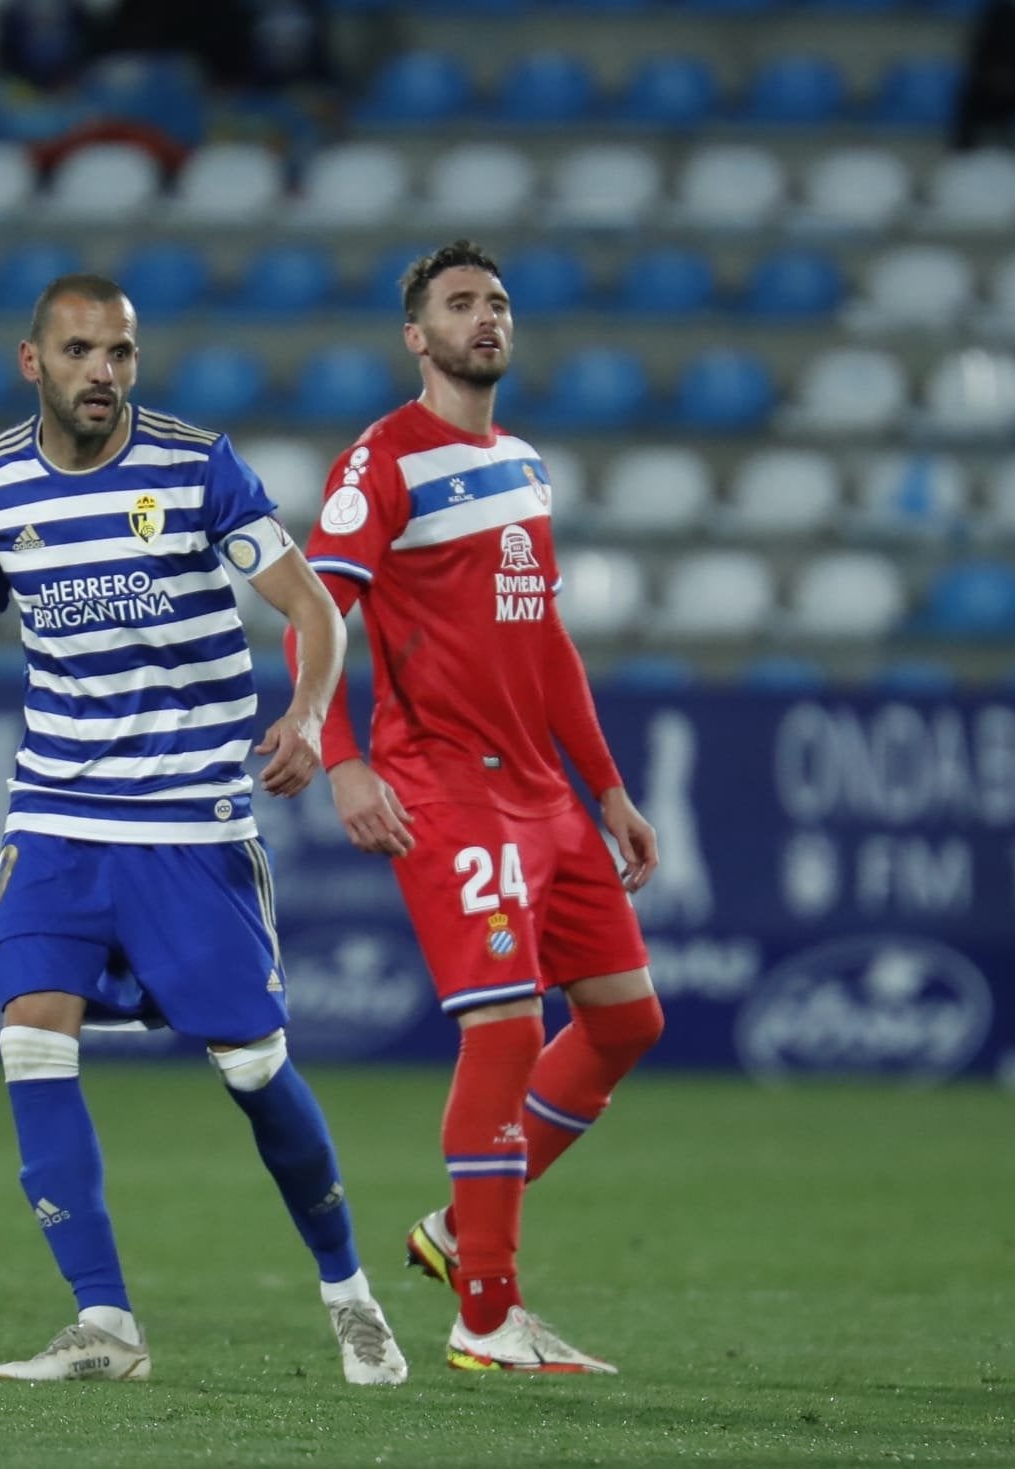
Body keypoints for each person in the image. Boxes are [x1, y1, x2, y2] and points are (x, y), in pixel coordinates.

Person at [0, 273, 406, 1388]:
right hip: (59, 812)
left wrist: (305, 713)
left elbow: (310, 604)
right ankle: (104, 1321)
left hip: (189, 819)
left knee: (254, 1066)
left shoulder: (195, 464)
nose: (102, 372)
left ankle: (349, 1290)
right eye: (78, 352)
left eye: (118, 351)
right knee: (30, 1029)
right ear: (35, 364)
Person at [291, 240, 666, 1375]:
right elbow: (320, 611)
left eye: (497, 301)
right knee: (503, 1025)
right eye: (459, 303)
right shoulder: (382, 461)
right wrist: (340, 756)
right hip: (444, 783)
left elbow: (544, 638)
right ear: (417, 336)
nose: (484, 317)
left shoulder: (522, 464)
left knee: (624, 1020)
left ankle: (459, 1226)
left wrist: (606, 787)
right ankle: (487, 1314)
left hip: (545, 791)